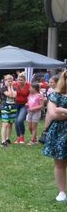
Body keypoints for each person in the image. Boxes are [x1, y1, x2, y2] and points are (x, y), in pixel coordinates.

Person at [42, 71, 67, 202]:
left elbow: (58, 112)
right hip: (59, 133)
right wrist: (59, 111)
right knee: (59, 163)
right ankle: (62, 192)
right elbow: (53, 114)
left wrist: (62, 110)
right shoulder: (55, 95)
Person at [0, 74, 17, 147]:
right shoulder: (3, 88)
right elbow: (10, 95)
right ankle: (3, 141)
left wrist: (11, 87)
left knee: (10, 123)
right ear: (5, 81)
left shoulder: (15, 88)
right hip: (5, 107)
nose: (9, 82)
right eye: (8, 81)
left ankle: (7, 138)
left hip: (13, 107)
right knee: (5, 123)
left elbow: (14, 95)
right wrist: (9, 87)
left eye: (11, 81)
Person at [13, 73, 31, 144]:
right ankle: (18, 137)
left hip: (24, 105)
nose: (20, 81)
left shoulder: (28, 85)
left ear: (25, 80)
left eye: (21, 80)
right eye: (19, 80)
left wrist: (28, 102)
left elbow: (31, 95)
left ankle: (22, 136)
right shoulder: (15, 85)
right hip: (16, 104)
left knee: (20, 120)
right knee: (16, 121)